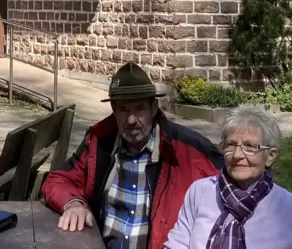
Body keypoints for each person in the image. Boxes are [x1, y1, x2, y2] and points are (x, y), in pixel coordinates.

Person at [42, 62, 224, 249]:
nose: (131, 120)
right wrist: (73, 204)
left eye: (139, 109)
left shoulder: (188, 149)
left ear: (153, 108)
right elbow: (58, 180)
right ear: (113, 109)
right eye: (123, 109)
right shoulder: (100, 142)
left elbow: (233, 188)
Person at [165, 105, 292, 249]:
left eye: (250, 147)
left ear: (270, 156)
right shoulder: (200, 191)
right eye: (231, 145)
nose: (237, 155)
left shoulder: (286, 205)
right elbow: (177, 244)